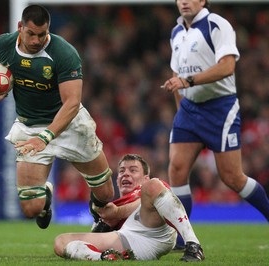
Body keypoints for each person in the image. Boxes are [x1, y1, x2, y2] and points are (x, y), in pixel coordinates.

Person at [0, 4, 114, 229]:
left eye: (42, 34)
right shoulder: (4, 45)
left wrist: (46, 137)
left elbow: (72, 103)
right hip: (30, 127)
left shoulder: (63, 53)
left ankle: (98, 212)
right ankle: (45, 200)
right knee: (31, 209)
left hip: (70, 124)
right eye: (31, 34)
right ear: (20, 28)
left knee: (106, 193)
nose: (37, 40)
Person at [162, 0, 269, 249]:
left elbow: (227, 66)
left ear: (203, 1)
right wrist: (181, 112)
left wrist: (188, 81)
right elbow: (177, 77)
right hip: (189, 110)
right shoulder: (176, 32)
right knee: (176, 169)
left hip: (219, 108)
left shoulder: (217, 25)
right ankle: (182, 238)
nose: (185, 1)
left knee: (232, 177)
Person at [54, 154, 205, 262]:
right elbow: (95, 236)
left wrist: (117, 213)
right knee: (61, 241)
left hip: (153, 232)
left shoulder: (150, 188)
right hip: (129, 241)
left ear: (144, 177)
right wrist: (102, 223)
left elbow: (145, 200)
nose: (126, 174)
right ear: (117, 180)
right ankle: (105, 258)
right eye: (122, 171)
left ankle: (193, 244)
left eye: (133, 170)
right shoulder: (111, 207)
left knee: (153, 187)